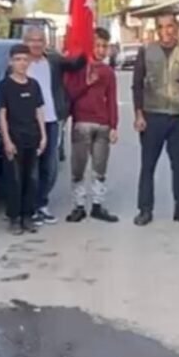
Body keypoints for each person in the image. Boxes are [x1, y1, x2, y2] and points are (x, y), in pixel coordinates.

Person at [132, 13, 179, 228]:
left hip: (178, 117)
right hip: (152, 116)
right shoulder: (146, 51)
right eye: (162, 27)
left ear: (176, 28)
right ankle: (145, 210)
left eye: (170, 26)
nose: (166, 31)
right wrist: (138, 114)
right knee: (148, 166)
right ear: (157, 30)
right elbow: (137, 84)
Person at [21, 26, 87, 223]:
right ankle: (30, 208)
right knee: (31, 169)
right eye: (32, 40)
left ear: (45, 42)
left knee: (49, 168)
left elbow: (75, 65)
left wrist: (85, 44)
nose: (36, 44)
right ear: (25, 42)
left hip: (51, 120)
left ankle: (42, 204)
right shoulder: (20, 63)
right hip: (28, 123)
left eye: (40, 40)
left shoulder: (53, 61)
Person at [63, 27, 120, 223]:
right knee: (78, 168)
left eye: (105, 46)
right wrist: (86, 82)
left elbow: (112, 100)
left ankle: (97, 204)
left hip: (102, 125)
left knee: (100, 168)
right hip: (82, 123)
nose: (101, 50)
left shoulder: (108, 72)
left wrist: (114, 126)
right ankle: (78, 206)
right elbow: (70, 94)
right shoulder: (79, 68)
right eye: (97, 45)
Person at [0, 44, 48, 235]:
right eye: (18, 59)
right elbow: (2, 114)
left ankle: (28, 216)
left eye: (25, 59)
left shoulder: (34, 85)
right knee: (15, 180)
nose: (22, 63)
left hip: (32, 138)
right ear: (11, 62)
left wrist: (43, 136)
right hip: (14, 139)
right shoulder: (5, 86)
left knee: (32, 179)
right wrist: (7, 140)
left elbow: (39, 110)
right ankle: (14, 218)